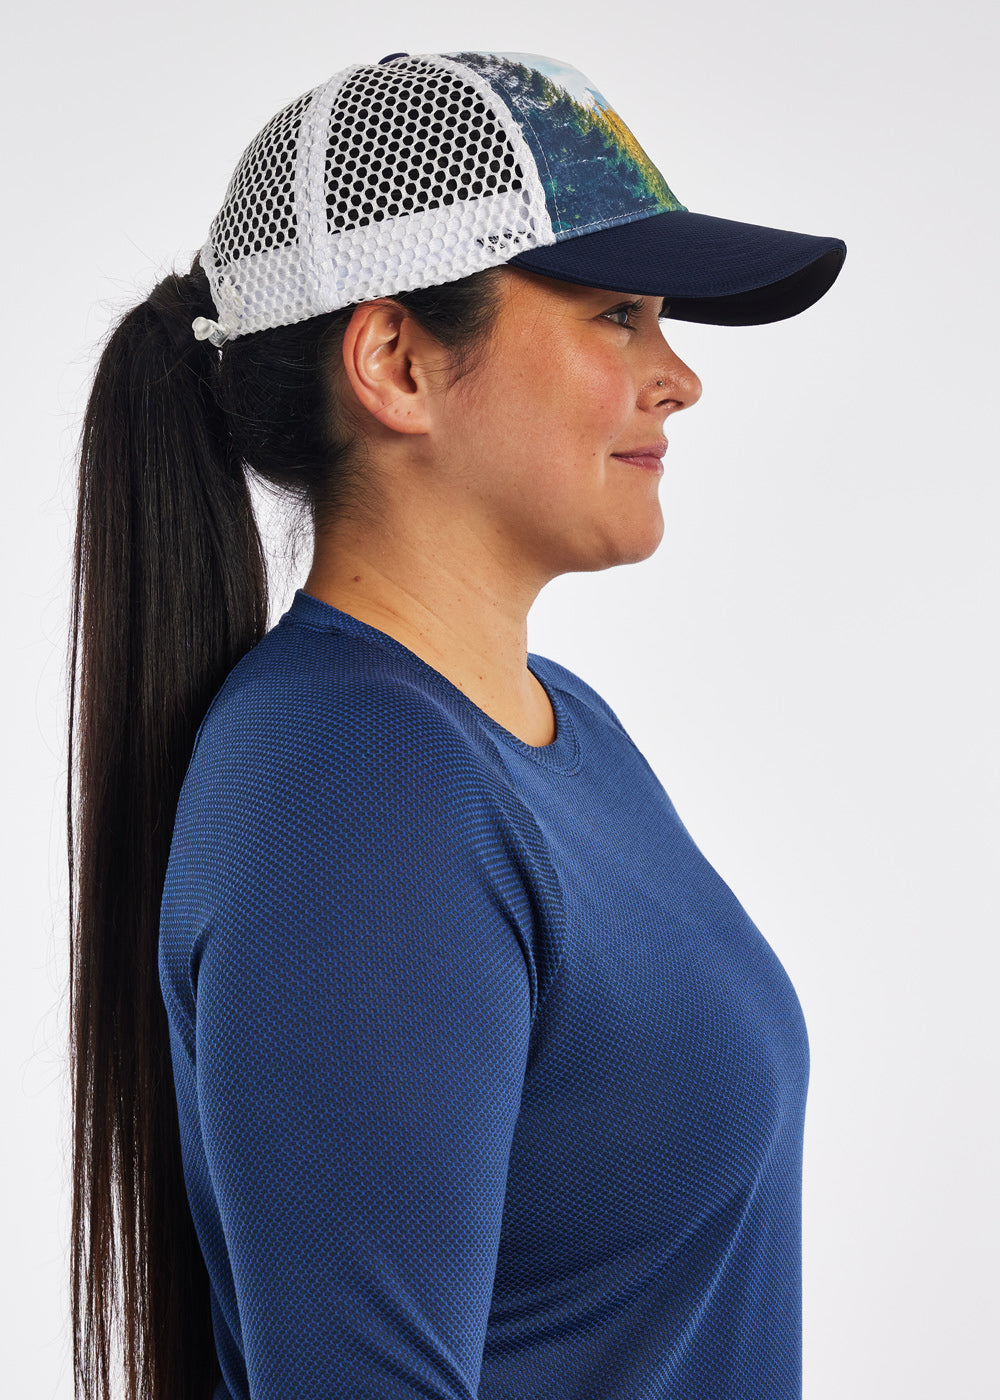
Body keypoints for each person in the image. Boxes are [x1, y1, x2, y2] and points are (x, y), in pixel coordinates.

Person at [67, 49, 846, 1400]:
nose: (678, 376)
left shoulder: (553, 732)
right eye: (616, 315)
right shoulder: (353, 784)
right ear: (398, 362)